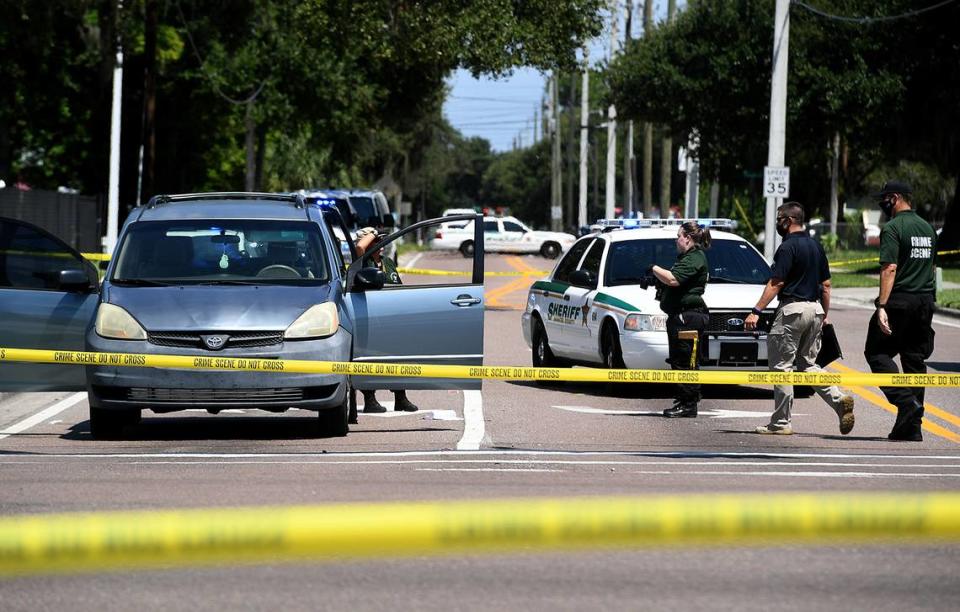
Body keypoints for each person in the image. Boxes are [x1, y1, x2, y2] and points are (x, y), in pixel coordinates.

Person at [745, 202, 855, 435]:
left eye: (779, 219)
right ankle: (839, 399)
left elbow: (777, 282)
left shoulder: (787, 248)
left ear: (789, 221)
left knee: (782, 368)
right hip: (814, 310)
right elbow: (826, 285)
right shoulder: (816, 246)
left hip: (791, 311)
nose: (777, 223)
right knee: (808, 365)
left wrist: (756, 310)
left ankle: (781, 423)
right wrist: (824, 315)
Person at [864, 181, 936, 442]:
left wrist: (882, 305)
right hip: (925, 300)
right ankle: (911, 427)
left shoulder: (894, 228)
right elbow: (930, 268)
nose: (881, 205)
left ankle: (906, 403)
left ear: (894, 198)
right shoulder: (927, 228)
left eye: (883, 200)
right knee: (914, 362)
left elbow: (889, 268)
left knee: (876, 351)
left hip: (900, 301)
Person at [649, 221, 711, 418]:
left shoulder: (695, 257)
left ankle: (688, 403)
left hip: (689, 317)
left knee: (687, 361)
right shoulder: (687, 258)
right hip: (681, 316)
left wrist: (653, 268)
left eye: (679, 236)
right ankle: (684, 400)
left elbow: (674, 279)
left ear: (688, 238)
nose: (677, 240)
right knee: (679, 359)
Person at [353, 227, 418, 413]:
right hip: (368, 317)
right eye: (376, 241)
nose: (380, 245)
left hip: (389, 318)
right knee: (368, 359)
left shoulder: (387, 263)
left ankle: (400, 397)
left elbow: (398, 288)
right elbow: (359, 246)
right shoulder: (361, 262)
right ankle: (370, 400)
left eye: (382, 241)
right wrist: (372, 233)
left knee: (396, 357)